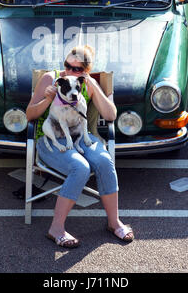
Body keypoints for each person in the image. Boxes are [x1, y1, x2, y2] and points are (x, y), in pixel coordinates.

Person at [26, 45, 134, 248]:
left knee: (104, 161)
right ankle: (56, 228)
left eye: (77, 69)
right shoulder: (52, 79)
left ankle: (114, 222)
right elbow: (29, 115)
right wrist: (47, 99)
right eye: (67, 65)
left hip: (81, 135)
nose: (70, 71)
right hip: (51, 138)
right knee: (80, 167)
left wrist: (93, 84)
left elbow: (110, 116)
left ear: (85, 71)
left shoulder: (87, 82)